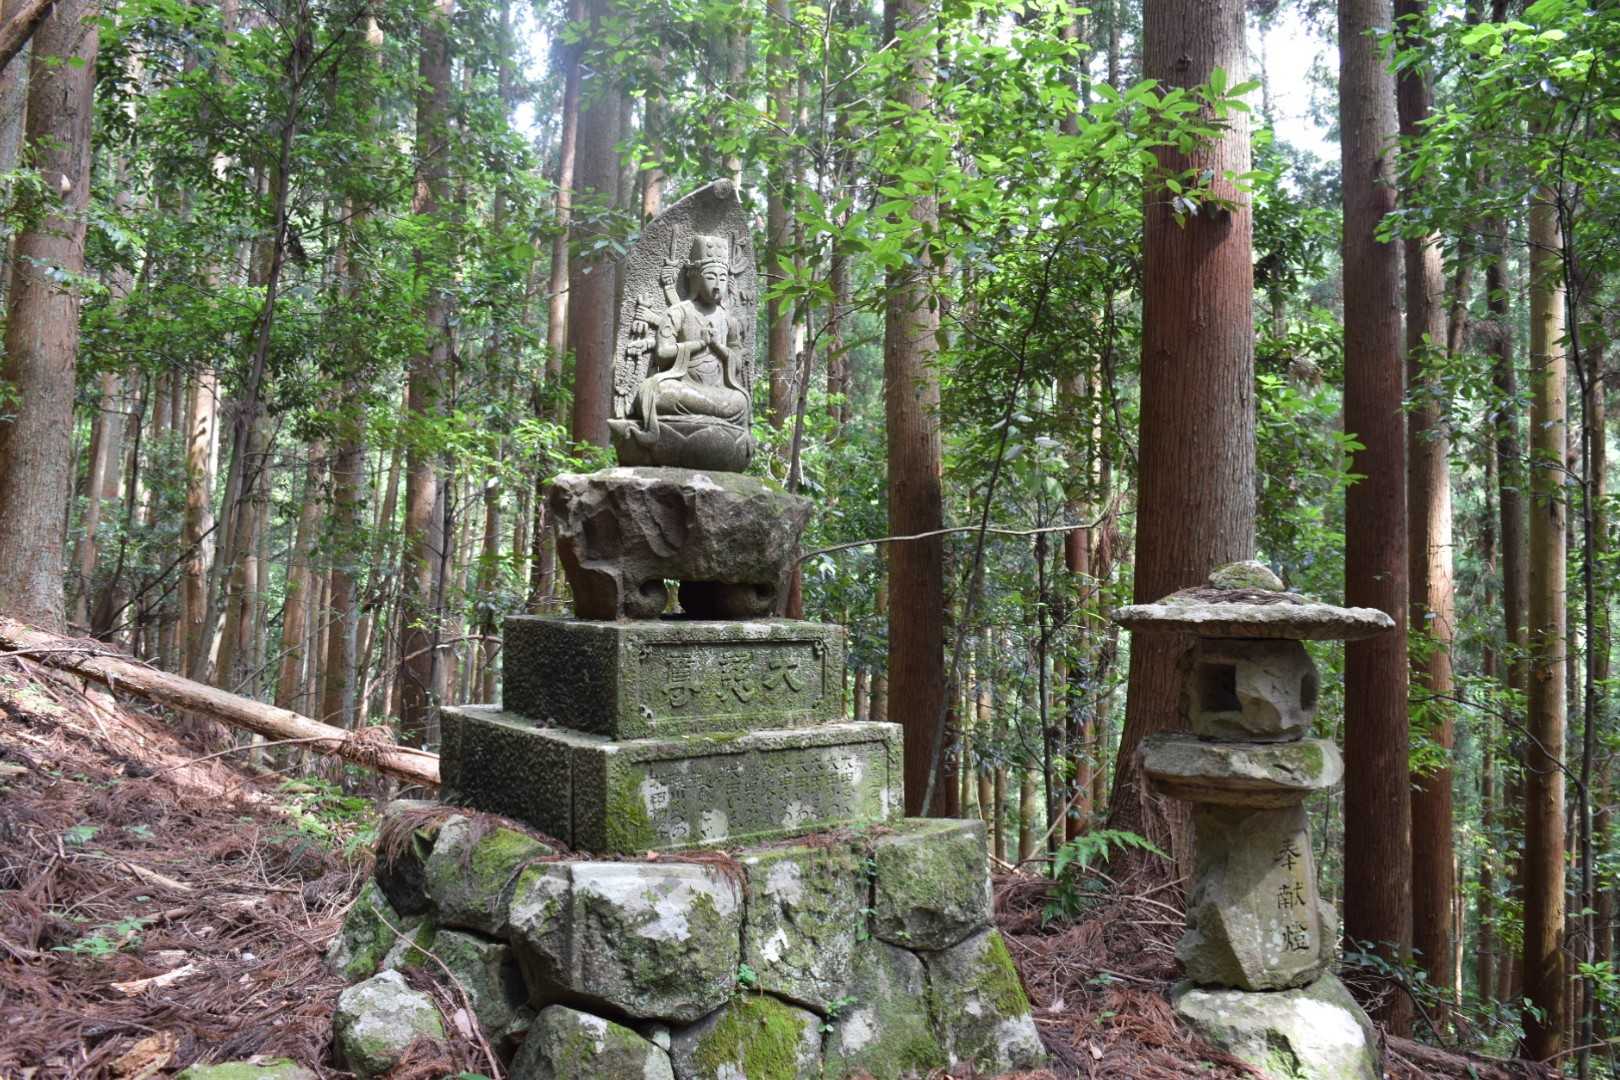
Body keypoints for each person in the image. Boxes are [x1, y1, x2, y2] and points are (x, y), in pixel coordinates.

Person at [631, 234, 749, 442]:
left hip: (718, 393)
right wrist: (698, 344)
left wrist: (717, 347)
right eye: (711, 277)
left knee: (741, 401)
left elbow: (738, 363)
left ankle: (702, 423)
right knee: (657, 392)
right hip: (683, 388)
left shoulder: (728, 320)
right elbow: (662, 353)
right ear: (696, 278)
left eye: (722, 278)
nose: (717, 285)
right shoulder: (678, 312)